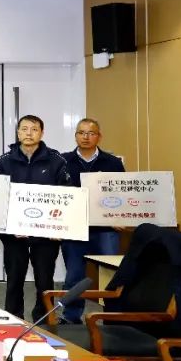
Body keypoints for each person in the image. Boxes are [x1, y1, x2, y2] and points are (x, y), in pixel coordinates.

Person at [0, 114, 73, 322]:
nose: (29, 133)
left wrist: (59, 227)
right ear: (18, 132)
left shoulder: (56, 160)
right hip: (14, 234)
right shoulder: (4, 161)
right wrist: (11, 225)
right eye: (24, 129)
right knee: (14, 279)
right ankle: (13, 318)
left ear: (42, 133)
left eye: (34, 129)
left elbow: (67, 195)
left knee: (44, 281)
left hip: (46, 235)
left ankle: (44, 320)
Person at [60, 118, 125, 323]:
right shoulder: (62, 161)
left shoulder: (113, 162)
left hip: (105, 228)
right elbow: (56, 193)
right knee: (74, 276)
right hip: (74, 228)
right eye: (81, 133)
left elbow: (121, 193)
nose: (86, 137)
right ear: (75, 135)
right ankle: (71, 318)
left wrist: (120, 217)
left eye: (91, 133)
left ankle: (112, 319)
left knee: (111, 275)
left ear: (99, 136)